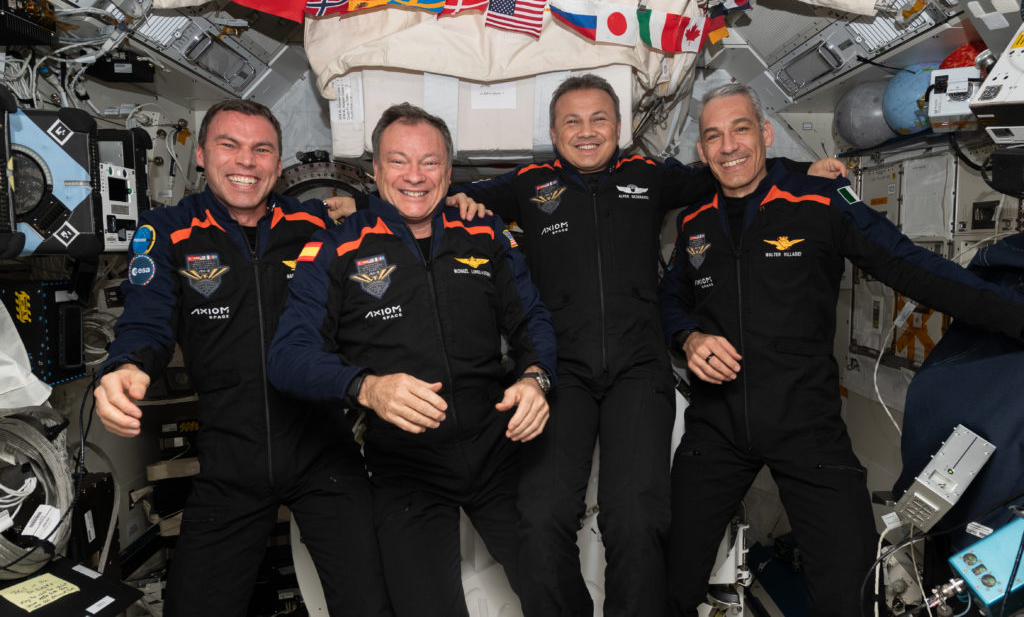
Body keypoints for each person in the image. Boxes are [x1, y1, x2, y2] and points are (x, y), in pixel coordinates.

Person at [446, 73, 845, 617]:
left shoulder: (649, 174)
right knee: (539, 520)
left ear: (621, 127)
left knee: (636, 520)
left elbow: (729, 168)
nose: (587, 131)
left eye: (599, 119)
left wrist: (801, 171)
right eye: (572, 121)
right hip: (560, 372)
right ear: (553, 133)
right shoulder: (527, 183)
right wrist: (392, 207)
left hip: (638, 368)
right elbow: (436, 195)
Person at [658, 83, 1024, 617]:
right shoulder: (694, 222)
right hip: (717, 426)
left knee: (850, 588)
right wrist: (688, 337)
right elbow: (670, 301)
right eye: (713, 135)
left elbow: (911, 267)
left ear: (764, 133)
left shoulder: (821, 199)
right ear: (701, 149)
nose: (728, 145)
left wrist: (1015, 317)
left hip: (806, 422)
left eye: (741, 128)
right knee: (670, 578)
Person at [94, 99, 393, 616]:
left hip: (323, 450)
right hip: (231, 457)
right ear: (202, 155)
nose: (246, 162)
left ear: (278, 163)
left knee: (371, 603)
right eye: (229, 145)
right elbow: (147, 318)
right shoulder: (167, 230)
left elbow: (404, 232)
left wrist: (462, 201)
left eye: (262, 149)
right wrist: (126, 366)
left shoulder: (316, 225)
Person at [266, 102, 557, 617]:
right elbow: (288, 356)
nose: (415, 176)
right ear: (376, 171)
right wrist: (367, 387)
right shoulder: (336, 247)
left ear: (448, 170)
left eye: (430, 161)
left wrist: (536, 378)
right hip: (407, 466)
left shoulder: (485, 232)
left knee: (555, 591)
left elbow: (531, 319)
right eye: (398, 161)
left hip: (498, 449)